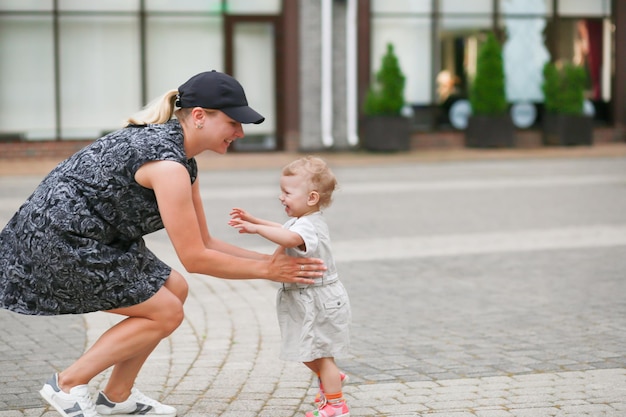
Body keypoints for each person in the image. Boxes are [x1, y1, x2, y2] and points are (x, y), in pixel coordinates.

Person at [0, 70, 326, 417]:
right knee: (165, 311)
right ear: (199, 116)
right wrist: (267, 270)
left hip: (92, 238)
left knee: (175, 289)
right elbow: (196, 257)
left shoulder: (183, 161)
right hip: (56, 242)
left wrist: (271, 263)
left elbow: (205, 241)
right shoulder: (167, 164)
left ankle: (117, 396)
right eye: (233, 122)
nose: (240, 132)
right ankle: (66, 385)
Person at [229, 156, 351, 417]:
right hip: (308, 297)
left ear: (312, 198)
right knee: (306, 350)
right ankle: (332, 379)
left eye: (287, 192)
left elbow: (290, 237)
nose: (281, 197)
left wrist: (255, 229)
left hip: (318, 299)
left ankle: (336, 405)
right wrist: (256, 221)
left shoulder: (308, 226)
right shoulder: (303, 220)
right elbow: (283, 228)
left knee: (319, 353)